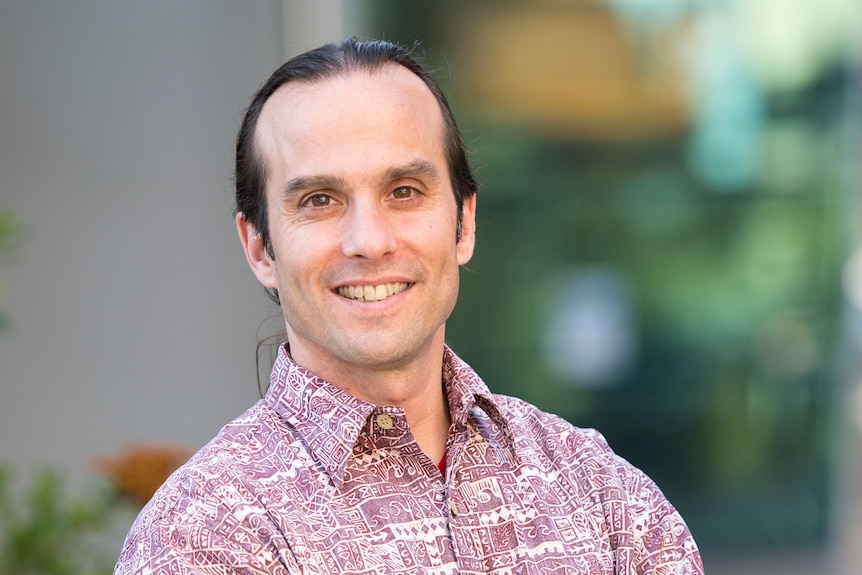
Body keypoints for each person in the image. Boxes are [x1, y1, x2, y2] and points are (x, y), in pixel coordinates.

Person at [114, 37, 703, 575]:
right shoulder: (204, 537)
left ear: (464, 222)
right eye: (320, 200)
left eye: (404, 191)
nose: (369, 240)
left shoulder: (600, 496)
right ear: (260, 247)